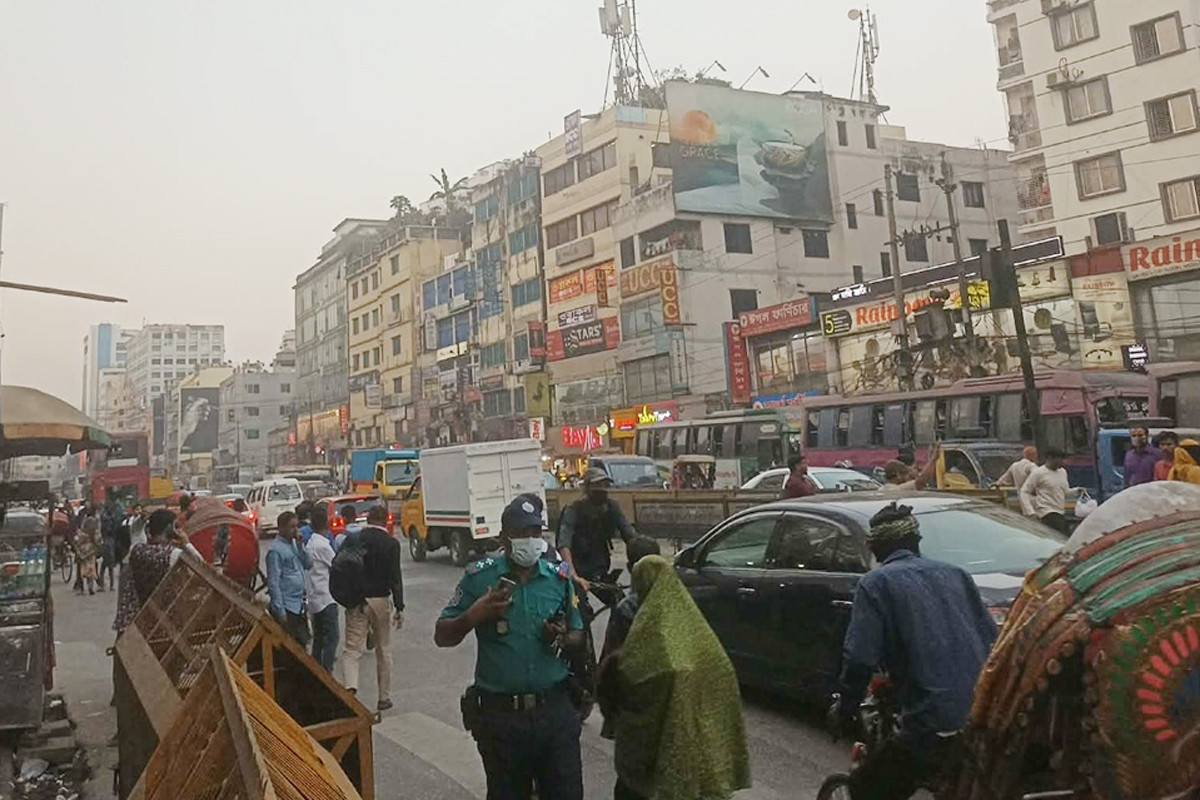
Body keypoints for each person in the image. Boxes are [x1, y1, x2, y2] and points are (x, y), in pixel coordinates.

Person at [835, 502, 998, 800]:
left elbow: (860, 658)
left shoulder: (876, 583)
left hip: (934, 721)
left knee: (867, 789)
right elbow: (993, 640)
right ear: (916, 542)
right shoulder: (957, 574)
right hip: (987, 713)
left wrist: (846, 709)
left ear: (877, 548)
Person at [436, 493, 585, 800]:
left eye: (535, 533)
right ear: (504, 539)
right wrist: (474, 615)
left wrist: (557, 636)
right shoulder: (480, 577)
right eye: (521, 534)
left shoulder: (558, 578)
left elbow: (578, 635)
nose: (530, 540)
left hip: (554, 712)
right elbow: (442, 635)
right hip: (502, 718)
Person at [606, 554, 750, 800]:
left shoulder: (643, 634)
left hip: (647, 769)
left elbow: (627, 678)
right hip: (699, 760)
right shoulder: (697, 631)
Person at [338, 505, 404, 711]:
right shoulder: (391, 544)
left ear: (367, 518)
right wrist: (400, 607)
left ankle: (351, 687)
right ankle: (383, 697)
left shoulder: (354, 539)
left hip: (357, 601)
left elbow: (342, 567)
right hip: (381, 601)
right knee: (383, 649)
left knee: (352, 649)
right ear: (385, 520)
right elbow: (395, 578)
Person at [114, 509, 200, 635]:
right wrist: (186, 542)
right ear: (170, 528)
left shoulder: (136, 550)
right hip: (163, 624)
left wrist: (143, 519)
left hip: (135, 622)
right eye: (176, 526)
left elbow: (136, 531)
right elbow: (201, 567)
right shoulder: (172, 555)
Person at [557, 468, 635, 595]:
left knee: (620, 602)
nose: (602, 489)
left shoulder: (611, 507)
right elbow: (564, 543)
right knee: (578, 608)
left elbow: (629, 534)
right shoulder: (574, 509)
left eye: (605, 485)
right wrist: (572, 574)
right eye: (598, 485)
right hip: (576, 567)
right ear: (587, 488)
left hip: (599, 568)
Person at [265, 511, 312, 646]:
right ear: (281, 528)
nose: (295, 530)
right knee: (293, 648)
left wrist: (300, 546)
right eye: (292, 527)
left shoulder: (295, 544)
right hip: (288, 606)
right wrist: (280, 610)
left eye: (296, 526)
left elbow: (308, 564)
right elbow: (274, 582)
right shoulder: (276, 551)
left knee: (303, 644)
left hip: (300, 605)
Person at [305, 501, 339, 673]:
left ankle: (316, 671)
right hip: (326, 597)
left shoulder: (311, 543)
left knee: (318, 638)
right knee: (332, 638)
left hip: (314, 597)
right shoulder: (323, 546)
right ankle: (326, 671)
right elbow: (336, 565)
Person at [1020, 448, 1072, 533]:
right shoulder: (1038, 473)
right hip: (1046, 512)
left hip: (1060, 511)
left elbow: (1065, 492)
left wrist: (1077, 491)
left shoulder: (1062, 472)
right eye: (1059, 459)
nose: (1062, 462)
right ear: (1050, 458)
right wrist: (1030, 511)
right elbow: (1025, 491)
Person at [74, 517, 102, 595]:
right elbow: (99, 542)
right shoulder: (94, 534)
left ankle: (82, 589)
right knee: (91, 571)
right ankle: (90, 588)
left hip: (82, 554)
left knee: (82, 571)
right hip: (91, 554)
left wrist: (78, 551)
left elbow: (76, 542)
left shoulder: (81, 534)